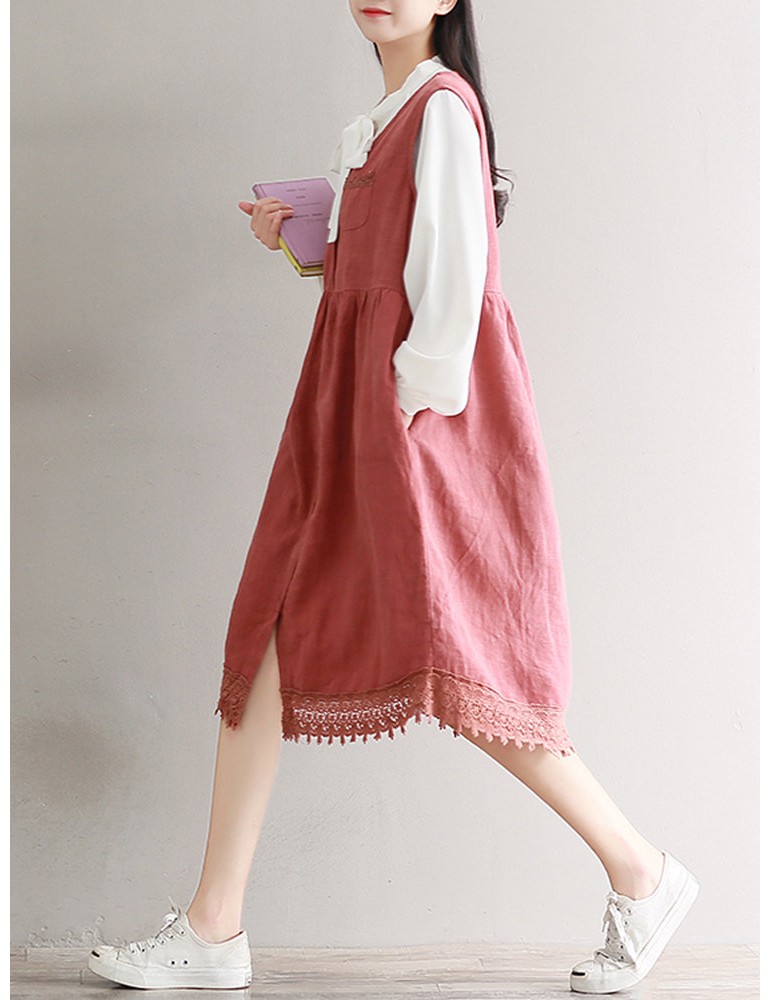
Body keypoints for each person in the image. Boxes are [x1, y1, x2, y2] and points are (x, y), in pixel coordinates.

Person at [87, 1, 699, 993]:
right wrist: (300, 242)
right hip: (347, 406)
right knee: (270, 626)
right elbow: (380, 276)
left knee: (455, 653)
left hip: (406, 420)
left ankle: (641, 869)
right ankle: (214, 922)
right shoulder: (378, 123)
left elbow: (452, 287)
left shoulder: (443, 107)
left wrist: (405, 407)